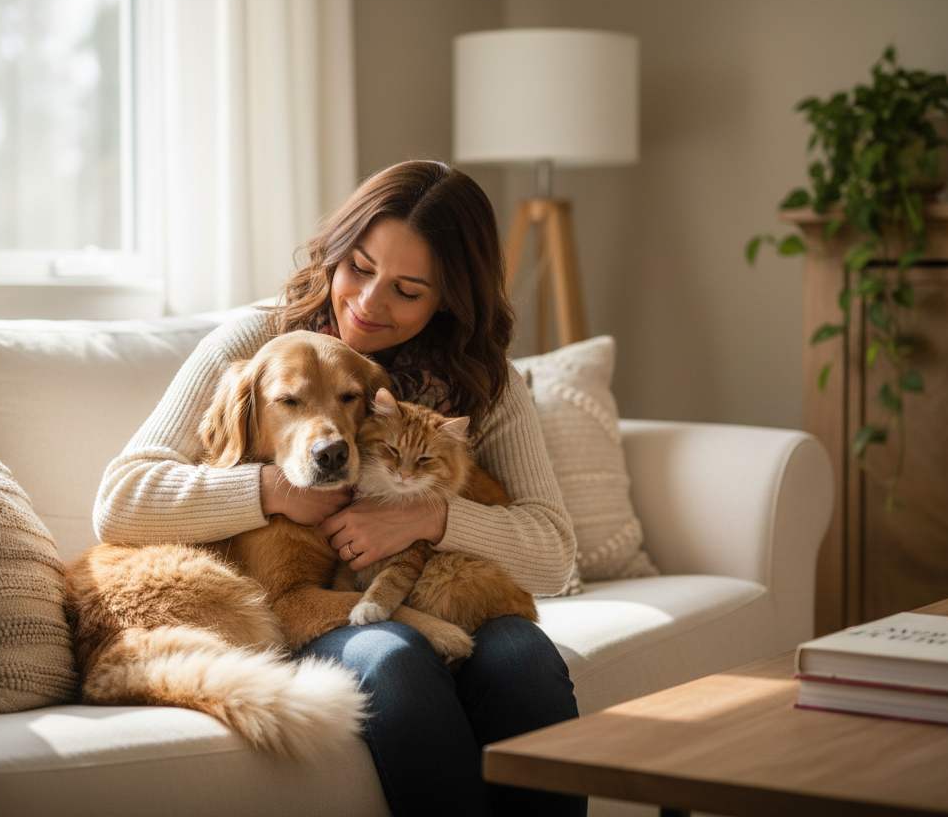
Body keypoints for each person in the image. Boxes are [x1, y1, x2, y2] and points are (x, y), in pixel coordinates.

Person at [94, 159, 586, 817]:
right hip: (322, 601)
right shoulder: (259, 342)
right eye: (358, 266)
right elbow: (120, 499)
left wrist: (427, 520)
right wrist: (272, 490)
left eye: (408, 290)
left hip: (428, 579)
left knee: (523, 657)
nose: (367, 302)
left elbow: (554, 553)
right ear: (335, 251)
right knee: (395, 655)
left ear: (451, 299)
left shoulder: (483, 384)